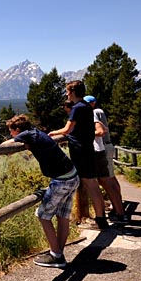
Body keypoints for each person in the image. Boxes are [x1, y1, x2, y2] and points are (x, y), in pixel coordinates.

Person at [3, 114, 79, 268]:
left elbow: (6, 147)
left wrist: (14, 141)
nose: (11, 134)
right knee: (62, 216)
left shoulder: (26, 135)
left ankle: (56, 256)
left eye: (11, 131)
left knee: (43, 216)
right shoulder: (36, 133)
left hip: (61, 180)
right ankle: (57, 253)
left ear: (17, 130)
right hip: (72, 176)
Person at [49, 80, 109, 230]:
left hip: (80, 151)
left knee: (88, 184)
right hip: (88, 149)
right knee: (93, 185)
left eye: (68, 91)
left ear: (73, 92)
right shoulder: (87, 107)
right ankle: (101, 219)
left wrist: (52, 133)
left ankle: (97, 220)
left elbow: (67, 129)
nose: (67, 94)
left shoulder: (76, 108)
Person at [84, 95, 128, 225]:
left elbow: (101, 130)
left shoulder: (93, 113)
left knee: (106, 181)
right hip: (107, 146)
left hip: (101, 148)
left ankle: (119, 213)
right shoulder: (100, 111)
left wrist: (83, 134)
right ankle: (119, 210)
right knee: (111, 179)